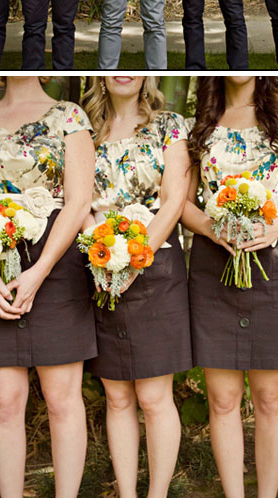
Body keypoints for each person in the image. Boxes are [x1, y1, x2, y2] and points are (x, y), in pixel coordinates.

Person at [0, 75, 96, 498]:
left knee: (62, 399)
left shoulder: (70, 116)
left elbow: (78, 201)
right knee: (5, 401)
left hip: (54, 265)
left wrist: (41, 269)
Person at [183, 76, 278, 498]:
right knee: (222, 400)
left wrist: (275, 227)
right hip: (212, 265)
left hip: (274, 263)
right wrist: (211, 227)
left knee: (271, 399)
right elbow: (182, 202)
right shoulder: (198, 125)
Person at [82, 76, 191, 498]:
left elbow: (174, 196)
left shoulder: (170, 125)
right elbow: (78, 199)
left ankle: (157, 493)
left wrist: (136, 254)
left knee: (152, 394)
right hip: (99, 265)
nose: (123, 72)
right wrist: (101, 253)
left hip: (156, 265)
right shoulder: (82, 128)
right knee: (116, 394)